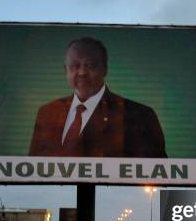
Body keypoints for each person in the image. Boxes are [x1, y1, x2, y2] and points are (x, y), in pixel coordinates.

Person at [29, 37, 167, 158]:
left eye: (90, 65)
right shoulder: (47, 112)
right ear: (66, 70)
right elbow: (33, 170)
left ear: (105, 69)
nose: (82, 72)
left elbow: (158, 173)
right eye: (74, 66)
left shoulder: (139, 116)